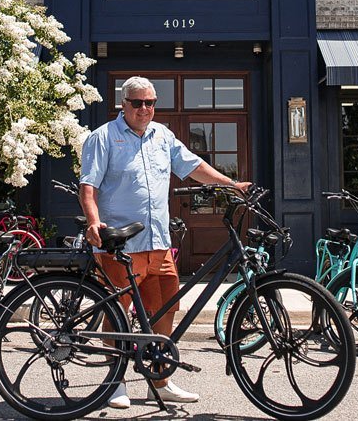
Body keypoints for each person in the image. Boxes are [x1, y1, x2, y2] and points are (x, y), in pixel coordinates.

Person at [79, 75, 251, 409]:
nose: (145, 109)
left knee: (166, 309)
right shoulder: (103, 137)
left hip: (158, 242)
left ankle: (159, 382)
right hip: (120, 244)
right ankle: (113, 382)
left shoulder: (162, 136)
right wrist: (93, 221)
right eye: (138, 103)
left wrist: (231, 184)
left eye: (150, 103)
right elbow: (88, 186)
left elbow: (193, 166)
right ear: (123, 104)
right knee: (118, 311)